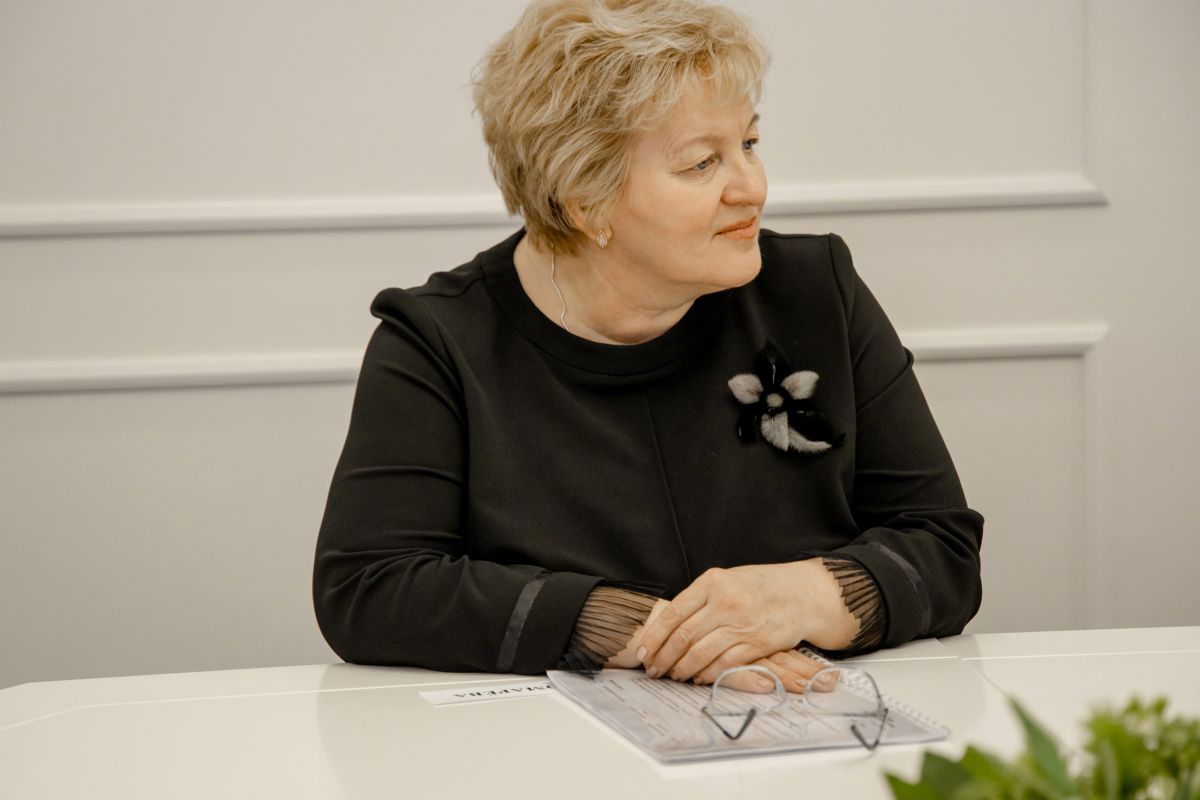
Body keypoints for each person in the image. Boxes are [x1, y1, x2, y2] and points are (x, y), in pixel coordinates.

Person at [313, 0, 983, 694]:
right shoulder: (437, 342)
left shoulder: (817, 291)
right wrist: (650, 632)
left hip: (817, 724)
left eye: (749, 144)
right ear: (584, 200)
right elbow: (368, 584)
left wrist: (800, 598)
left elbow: (944, 548)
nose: (752, 188)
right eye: (702, 163)